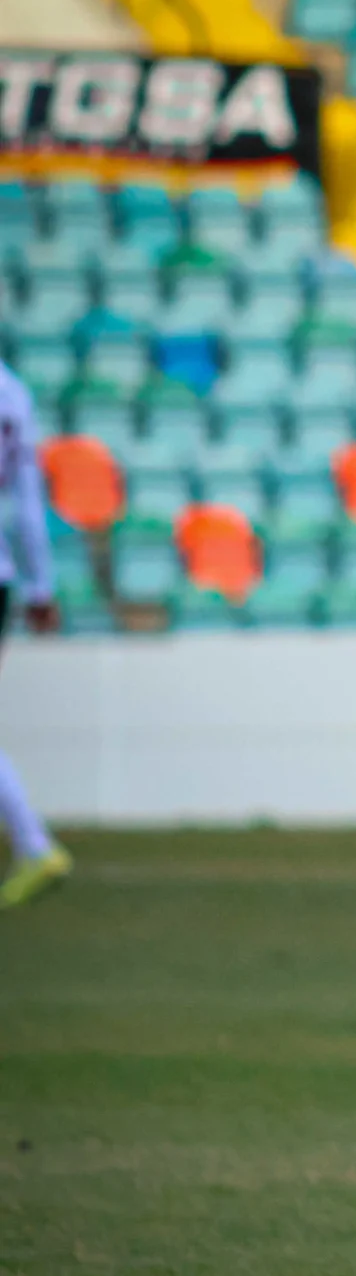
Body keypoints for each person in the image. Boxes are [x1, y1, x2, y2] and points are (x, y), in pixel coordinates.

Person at [0, 355, 70, 911]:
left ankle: (33, 843)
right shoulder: (13, 393)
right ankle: (32, 843)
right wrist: (39, 587)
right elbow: (26, 504)